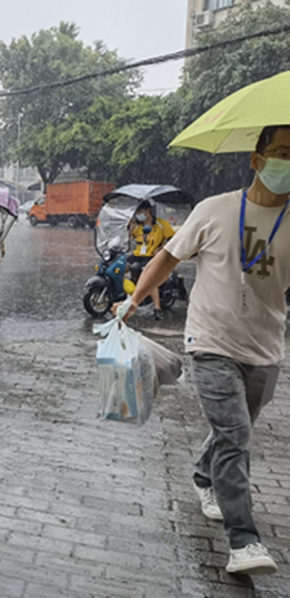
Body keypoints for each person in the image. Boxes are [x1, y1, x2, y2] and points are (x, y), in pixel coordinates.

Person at [121, 125, 290, 576]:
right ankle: (244, 541)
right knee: (236, 435)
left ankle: (202, 475)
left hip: (266, 347)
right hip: (211, 341)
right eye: (281, 153)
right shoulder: (215, 210)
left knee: (233, 430)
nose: (287, 164)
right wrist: (134, 300)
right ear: (257, 161)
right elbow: (167, 259)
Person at [126, 199, 175, 320]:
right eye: (137, 212)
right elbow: (127, 239)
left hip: (152, 256)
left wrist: (161, 249)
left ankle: (157, 308)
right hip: (137, 255)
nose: (139, 215)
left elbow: (173, 240)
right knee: (121, 267)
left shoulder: (161, 224)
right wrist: (131, 225)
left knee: (149, 277)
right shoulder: (137, 226)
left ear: (148, 211)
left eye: (140, 212)